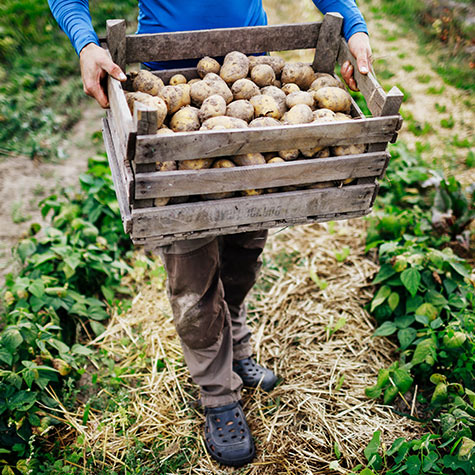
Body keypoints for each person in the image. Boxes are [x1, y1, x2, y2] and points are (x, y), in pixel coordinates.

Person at [48, 0, 372, 467]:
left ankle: (235, 344)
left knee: (245, 247)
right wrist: (85, 40)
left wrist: (355, 26)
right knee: (193, 267)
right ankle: (218, 395)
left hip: (259, 86)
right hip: (167, 92)